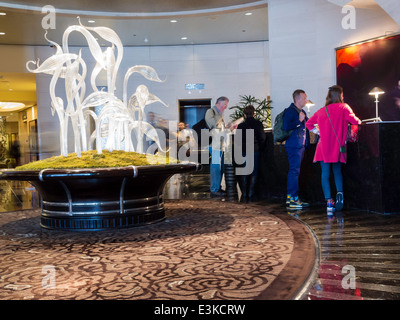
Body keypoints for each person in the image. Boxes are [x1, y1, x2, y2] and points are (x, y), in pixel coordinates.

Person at [306, 85, 361, 213]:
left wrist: (318, 131)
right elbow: (356, 121)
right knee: (337, 172)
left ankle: (329, 203)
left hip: (323, 147)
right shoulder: (344, 107)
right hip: (337, 146)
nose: (343, 97)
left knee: (325, 174)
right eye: (342, 95)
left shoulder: (322, 110)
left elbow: (308, 124)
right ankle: (340, 194)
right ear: (339, 96)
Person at [283, 89, 310, 209]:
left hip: (299, 145)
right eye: (304, 98)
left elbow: (308, 124)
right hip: (294, 146)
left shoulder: (301, 111)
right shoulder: (290, 111)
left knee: (295, 171)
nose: (306, 100)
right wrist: (298, 121)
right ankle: (293, 199)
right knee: (294, 172)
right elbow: (286, 126)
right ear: (297, 99)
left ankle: (292, 198)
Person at [236, 105, 266, 203]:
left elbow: (237, 140)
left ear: (244, 114)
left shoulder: (241, 126)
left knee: (245, 172)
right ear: (254, 113)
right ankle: (251, 194)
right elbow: (262, 137)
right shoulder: (258, 124)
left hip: (244, 151)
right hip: (255, 150)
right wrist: (260, 147)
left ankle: (244, 194)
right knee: (254, 173)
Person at [205, 96, 230, 198]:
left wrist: (229, 127)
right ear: (219, 103)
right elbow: (212, 124)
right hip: (214, 145)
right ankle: (214, 189)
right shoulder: (211, 112)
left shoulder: (219, 114)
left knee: (220, 167)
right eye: (224, 105)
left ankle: (217, 187)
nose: (225, 108)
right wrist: (220, 116)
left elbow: (220, 129)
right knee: (215, 166)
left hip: (220, 145)